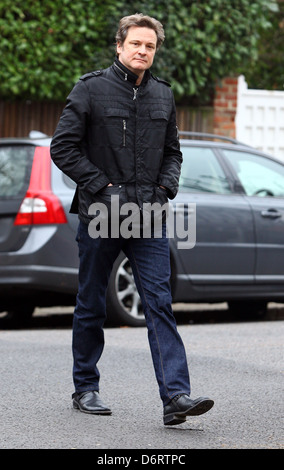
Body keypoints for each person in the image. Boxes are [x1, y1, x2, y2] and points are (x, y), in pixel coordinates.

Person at [50, 13, 214, 425]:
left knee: (159, 302)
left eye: (150, 46)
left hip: (150, 216)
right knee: (91, 302)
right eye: (136, 44)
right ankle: (85, 387)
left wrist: (165, 188)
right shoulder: (90, 89)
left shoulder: (163, 94)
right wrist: (104, 187)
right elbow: (63, 148)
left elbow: (173, 152)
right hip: (102, 213)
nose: (143, 51)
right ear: (120, 46)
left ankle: (176, 397)